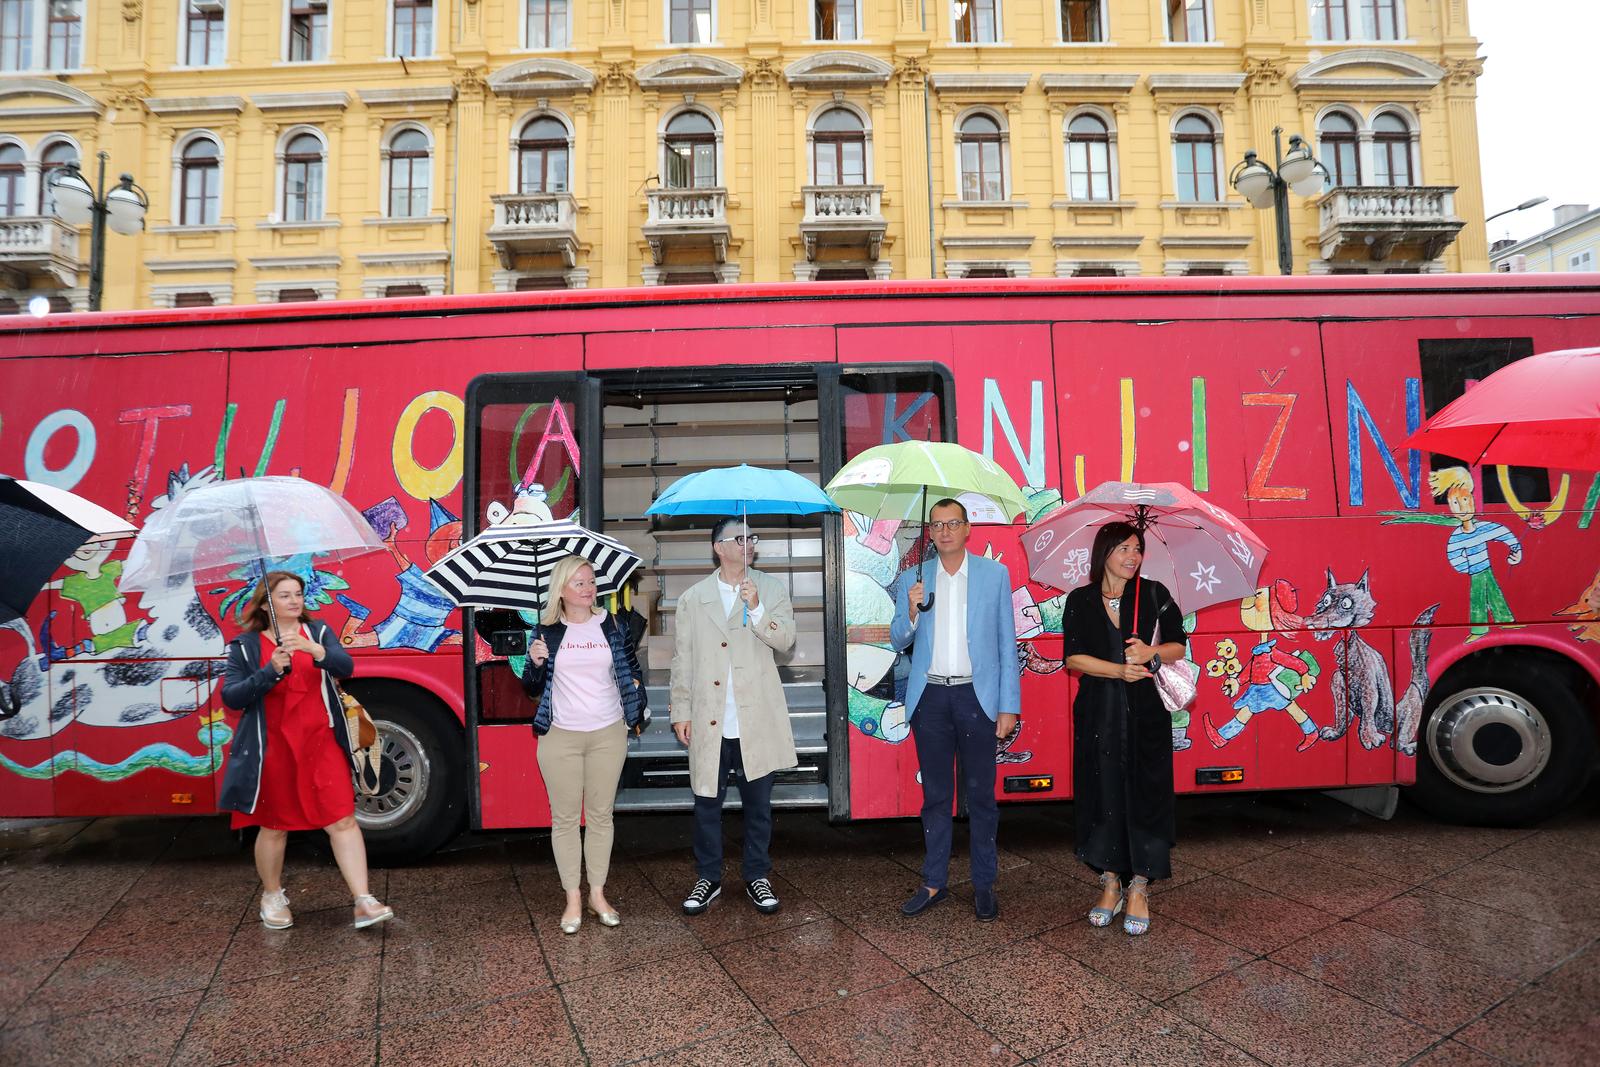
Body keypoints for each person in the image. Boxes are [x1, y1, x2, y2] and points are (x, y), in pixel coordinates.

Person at [218, 571, 394, 931]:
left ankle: (363, 900)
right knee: (275, 826)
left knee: (342, 818)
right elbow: (232, 696)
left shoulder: (318, 632)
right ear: (265, 605)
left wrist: (316, 651)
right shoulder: (245, 646)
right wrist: (270, 671)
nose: (294, 601)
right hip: (274, 747)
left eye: (298, 594)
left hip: (320, 741)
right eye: (284, 595)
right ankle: (272, 895)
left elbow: (346, 666)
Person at [890, 499, 1021, 923]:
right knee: (936, 797)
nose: (944, 531)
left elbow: (1007, 644)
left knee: (981, 796)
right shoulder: (913, 578)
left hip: (976, 698)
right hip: (930, 698)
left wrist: (1008, 705)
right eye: (937, 525)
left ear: (967, 529)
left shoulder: (993, 575)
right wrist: (911, 611)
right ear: (930, 532)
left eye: (953, 523)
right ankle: (933, 881)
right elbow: (897, 640)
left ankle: (984, 883)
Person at [1062, 522, 1187, 936]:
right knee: (1103, 791)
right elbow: (1073, 658)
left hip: (1147, 712)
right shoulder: (1080, 600)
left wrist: (1151, 651)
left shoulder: (1153, 594)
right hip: (1098, 712)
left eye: (1137, 549)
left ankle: (1140, 887)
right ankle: (1111, 882)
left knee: (1145, 793)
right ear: (1104, 553)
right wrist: (1118, 670)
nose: (1132, 556)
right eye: (1123, 548)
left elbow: (1179, 645)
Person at [670, 517, 796, 916]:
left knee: (758, 805)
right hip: (709, 714)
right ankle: (708, 877)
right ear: (718, 547)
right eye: (740, 539)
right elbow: (683, 658)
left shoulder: (770, 589)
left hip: (754, 715)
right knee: (707, 802)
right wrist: (681, 709)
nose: (749, 544)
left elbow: (786, 641)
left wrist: (756, 608)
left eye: (752, 538)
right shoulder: (694, 598)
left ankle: (757, 874)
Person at [519, 554, 648, 934]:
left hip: (608, 733)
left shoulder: (612, 624)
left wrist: (635, 695)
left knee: (601, 817)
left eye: (591, 581)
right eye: (579, 583)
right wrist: (535, 663)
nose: (588, 588)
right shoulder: (545, 631)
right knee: (564, 820)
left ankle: (597, 894)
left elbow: (632, 670)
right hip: (560, 736)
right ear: (561, 590)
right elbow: (530, 688)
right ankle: (573, 898)